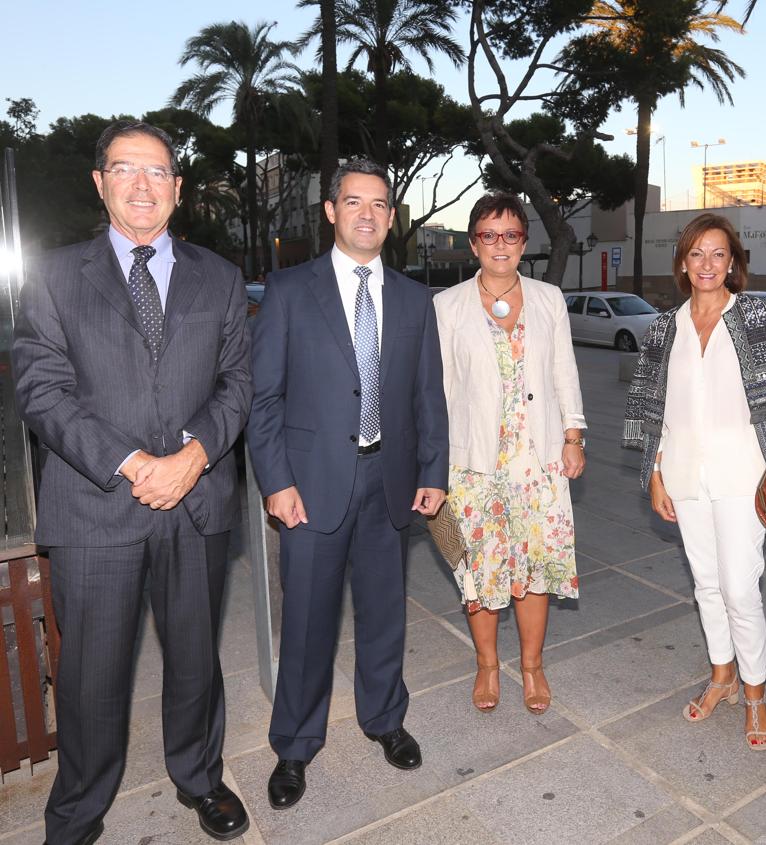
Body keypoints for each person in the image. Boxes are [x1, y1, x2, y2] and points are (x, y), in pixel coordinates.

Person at [12, 120, 252, 844]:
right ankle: (78, 811)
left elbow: (238, 380)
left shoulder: (221, 275)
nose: (143, 184)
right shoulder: (54, 276)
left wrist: (195, 454)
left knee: (194, 659)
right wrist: (133, 462)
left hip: (196, 502)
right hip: (96, 509)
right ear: (100, 182)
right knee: (90, 677)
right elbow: (42, 389)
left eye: (158, 171)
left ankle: (201, 777)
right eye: (126, 169)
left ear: (179, 189)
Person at [245, 158, 448, 809]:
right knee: (307, 621)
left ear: (392, 216)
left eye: (380, 204)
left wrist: (433, 473)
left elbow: (428, 396)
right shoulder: (288, 289)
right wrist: (275, 481)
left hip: (388, 480)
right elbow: (264, 397)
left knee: (385, 613)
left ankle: (385, 718)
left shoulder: (415, 299)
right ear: (330, 211)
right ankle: (295, 746)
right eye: (354, 202)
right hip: (311, 485)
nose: (368, 213)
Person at [623, 213, 766, 751]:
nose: (707, 264)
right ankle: (722, 676)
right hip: (683, 472)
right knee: (705, 584)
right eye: (697, 254)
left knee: (738, 586)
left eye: (718, 254)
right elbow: (651, 405)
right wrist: (655, 474)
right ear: (683, 263)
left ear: (733, 263)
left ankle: (755, 693)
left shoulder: (755, 316)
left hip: (743, 473)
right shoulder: (665, 326)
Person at [433, 192, 585, 715]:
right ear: (474, 242)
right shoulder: (447, 306)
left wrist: (573, 435)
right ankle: (488, 666)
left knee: (534, 569)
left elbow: (564, 370)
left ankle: (533, 667)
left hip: (538, 461)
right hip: (474, 464)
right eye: (489, 234)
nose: (501, 244)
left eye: (511, 234)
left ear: (524, 241)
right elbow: (441, 389)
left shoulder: (548, 299)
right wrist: (435, 463)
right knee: (480, 570)